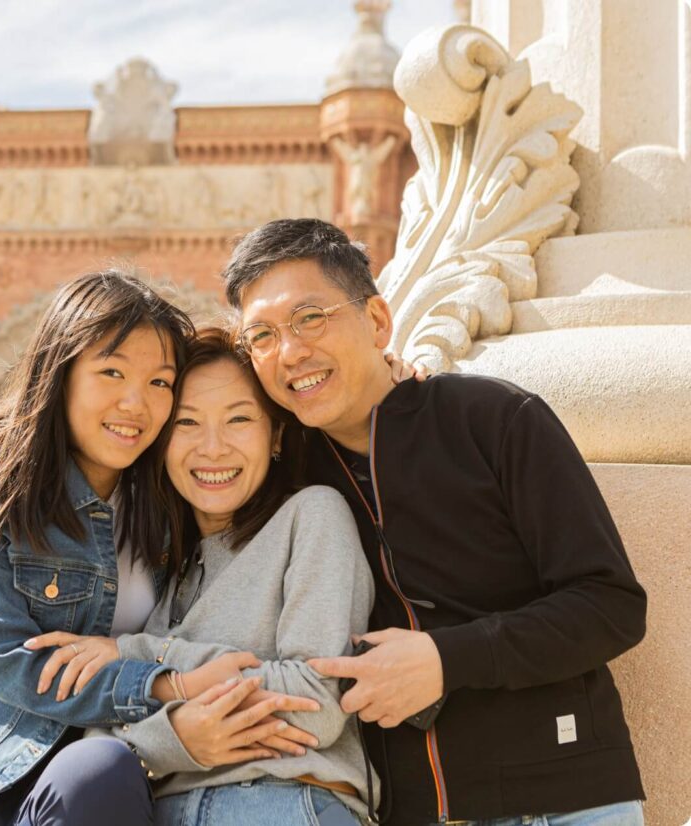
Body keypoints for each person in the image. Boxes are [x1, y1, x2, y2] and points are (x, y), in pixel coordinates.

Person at [219, 218, 647, 825]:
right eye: (260, 335)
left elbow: (610, 605)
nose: (289, 351)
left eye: (310, 318)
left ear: (376, 322)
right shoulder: (283, 477)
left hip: (566, 800)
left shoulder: (495, 419)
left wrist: (445, 660)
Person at [0, 271, 313, 826]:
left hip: (95, 778)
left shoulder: (175, 496)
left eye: (160, 383)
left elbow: (279, 453)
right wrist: (165, 685)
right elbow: (6, 661)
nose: (136, 403)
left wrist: (395, 384)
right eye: (111, 372)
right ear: (61, 375)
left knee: (101, 767)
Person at [24, 329, 377, 824]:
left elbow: (315, 702)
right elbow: (106, 729)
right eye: (187, 422)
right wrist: (178, 732)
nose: (213, 448)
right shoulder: (159, 562)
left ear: (275, 434)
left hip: (282, 802)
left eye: (238, 419)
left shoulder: (311, 515)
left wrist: (141, 660)